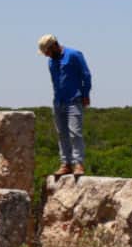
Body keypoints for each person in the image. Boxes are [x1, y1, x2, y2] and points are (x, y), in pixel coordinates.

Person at [39, 34, 92, 176]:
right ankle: (66, 164)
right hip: (58, 101)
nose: (46, 55)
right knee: (62, 134)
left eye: (47, 51)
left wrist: (86, 94)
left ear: (54, 46)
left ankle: (78, 164)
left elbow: (85, 74)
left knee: (75, 133)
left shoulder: (74, 55)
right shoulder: (51, 61)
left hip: (73, 100)